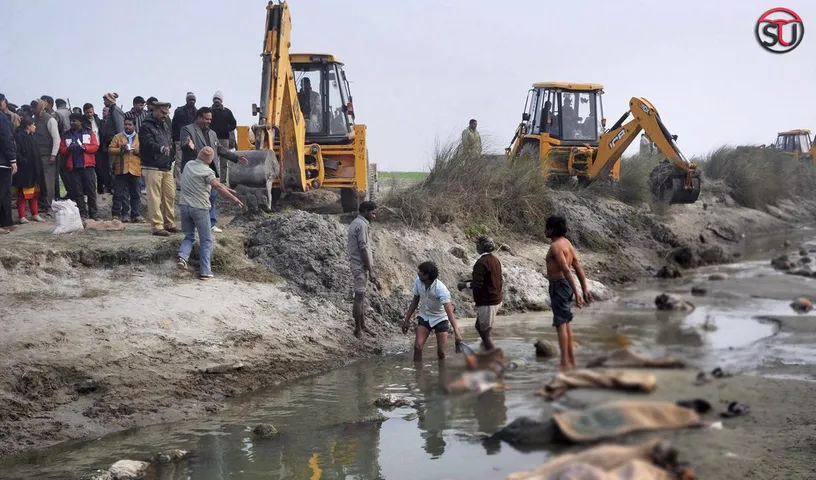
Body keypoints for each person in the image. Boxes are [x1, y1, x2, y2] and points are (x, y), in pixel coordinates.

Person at [176, 146, 244, 280]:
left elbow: (215, 184)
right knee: (206, 240)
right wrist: (234, 199)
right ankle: (205, 271)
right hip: (200, 208)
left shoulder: (189, 165)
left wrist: (226, 188)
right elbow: (217, 186)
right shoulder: (208, 172)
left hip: (184, 206)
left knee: (189, 235)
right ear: (210, 160)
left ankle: (182, 257)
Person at [180, 106, 248, 233]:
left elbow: (220, 149)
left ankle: (211, 223)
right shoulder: (187, 129)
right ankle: (195, 224)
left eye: (210, 119)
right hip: (194, 171)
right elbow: (184, 144)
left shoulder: (212, 133)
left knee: (212, 197)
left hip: (209, 170)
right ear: (199, 117)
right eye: (206, 119)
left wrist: (236, 157)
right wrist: (187, 145)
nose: (209, 121)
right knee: (197, 198)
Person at [544, 215, 592, 370]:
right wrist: (584, 288)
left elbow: (566, 269)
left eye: (546, 227)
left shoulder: (555, 246)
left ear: (551, 230)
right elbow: (577, 266)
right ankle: (570, 359)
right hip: (564, 286)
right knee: (566, 322)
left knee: (560, 324)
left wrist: (577, 292)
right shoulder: (567, 243)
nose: (544, 230)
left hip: (559, 285)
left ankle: (564, 362)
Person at [401, 261, 464, 361]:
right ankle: (418, 374)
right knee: (417, 347)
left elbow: (449, 312)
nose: (418, 273)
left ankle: (442, 374)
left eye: (420, 271)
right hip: (424, 316)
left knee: (441, 353)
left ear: (427, 275)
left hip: (440, 319)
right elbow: (415, 301)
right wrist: (406, 320)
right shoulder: (418, 281)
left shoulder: (441, 289)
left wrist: (457, 333)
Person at [139, 100, 178, 236]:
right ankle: (157, 225)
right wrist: (161, 149)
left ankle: (169, 223)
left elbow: (169, 140)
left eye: (166, 113)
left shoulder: (165, 124)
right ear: (154, 110)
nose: (165, 115)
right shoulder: (145, 126)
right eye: (162, 112)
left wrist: (171, 154)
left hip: (166, 165)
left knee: (169, 196)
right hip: (152, 166)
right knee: (154, 197)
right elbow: (147, 143)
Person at [457, 235, 503, 351]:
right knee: (480, 326)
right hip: (496, 298)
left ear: (481, 247)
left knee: (485, 331)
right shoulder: (495, 260)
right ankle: (487, 347)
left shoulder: (481, 262)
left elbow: (477, 284)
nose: (476, 246)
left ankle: (493, 355)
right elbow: (490, 279)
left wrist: (464, 285)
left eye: (477, 244)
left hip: (488, 301)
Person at [347, 201, 380, 338]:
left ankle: (363, 325)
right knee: (359, 298)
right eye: (373, 213)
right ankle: (358, 329)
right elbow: (363, 248)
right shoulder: (361, 225)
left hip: (358, 265)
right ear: (366, 211)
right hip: (359, 265)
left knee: (361, 297)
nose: (374, 216)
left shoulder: (357, 223)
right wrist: (370, 270)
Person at [58, 113, 100, 221]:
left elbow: (95, 146)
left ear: (80, 121)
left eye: (74, 121)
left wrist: (85, 148)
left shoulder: (89, 132)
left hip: (88, 166)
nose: (72, 123)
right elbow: (62, 149)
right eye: (71, 121)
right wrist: (68, 149)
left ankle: (93, 214)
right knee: (78, 192)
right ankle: (83, 214)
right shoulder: (66, 134)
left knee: (91, 191)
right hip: (74, 167)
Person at [108, 118, 143, 222]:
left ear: (134, 126)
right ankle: (116, 214)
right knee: (119, 193)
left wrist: (138, 151)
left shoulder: (139, 138)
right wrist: (121, 149)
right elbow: (110, 150)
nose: (127, 127)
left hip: (135, 169)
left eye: (130, 125)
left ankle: (135, 215)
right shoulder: (118, 137)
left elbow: (146, 152)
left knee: (135, 193)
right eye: (126, 124)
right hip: (121, 169)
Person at [12, 117, 44, 223]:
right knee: (22, 194)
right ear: (27, 126)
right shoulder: (18, 137)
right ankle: (22, 216)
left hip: (34, 170)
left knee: (34, 193)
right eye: (33, 125)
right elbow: (16, 153)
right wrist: (25, 162)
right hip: (24, 171)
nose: (35, 127)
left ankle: (35, 214)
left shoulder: (32, 137)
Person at [32, 100, 61, 214]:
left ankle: (49, 207)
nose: (34, 109)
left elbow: (56, 138)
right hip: (37, 156)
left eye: (35, 107)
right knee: (40, 182)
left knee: (48, 182)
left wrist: (53, 155)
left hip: (47, 156)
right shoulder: (35, 119)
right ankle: (42, 205)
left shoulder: (50, 120)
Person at [84, 103, 111, 194]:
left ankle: (101, 190)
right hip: (88, 150)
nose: (89, 114)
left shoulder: (97, 120)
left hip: (99, 148)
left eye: (91, 112)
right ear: (84, 112)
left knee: (101, 170)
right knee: (89, 173)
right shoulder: (83, 123)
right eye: (87, 112)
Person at [210, 91, 237, 181]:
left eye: (218, 99)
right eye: (215, 99)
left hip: (224, 138)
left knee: (224, 160)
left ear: (221, 101)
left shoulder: (227, 112)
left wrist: (226, 129)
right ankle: (212, 179)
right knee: (212, 159)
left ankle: (223, 180)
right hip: (211, 138)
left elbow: (233, 124)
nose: (216, 101)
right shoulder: (209, 111)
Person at [172, 92, 198, 185]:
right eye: (190, 99)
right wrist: (174, 139)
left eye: (193, 100)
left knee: (191, 160)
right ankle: (179, 182)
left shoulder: (197, 112)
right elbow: (174, 125)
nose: (192, 101)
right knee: (179, 160)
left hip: (192, 140)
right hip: (179, 138)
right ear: (186, 100)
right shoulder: (179, 111)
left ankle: (190, 181)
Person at [0, 104, 17, 233]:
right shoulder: (2, 118)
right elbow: (7, 139)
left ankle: (6, 222)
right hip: (3, 161)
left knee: (6, 193)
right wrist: (12, 159)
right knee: (3, 192)